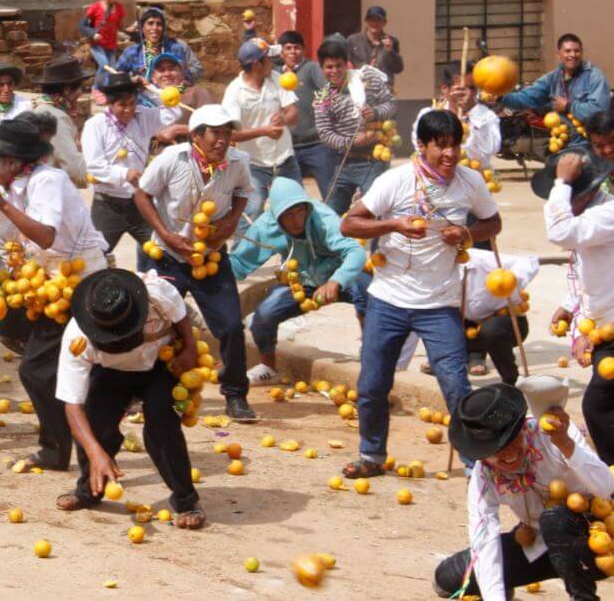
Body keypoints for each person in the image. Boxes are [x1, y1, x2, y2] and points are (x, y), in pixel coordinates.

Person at [338, 109, 501, 478]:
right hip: (388, 300)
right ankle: (372, 456)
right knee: (372, 385)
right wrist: (393, 223)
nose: (449, 154)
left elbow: (494, 222)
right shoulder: (395, 181)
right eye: (440, 146)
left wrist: (467, 234)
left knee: (456, 385)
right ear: (422, 146)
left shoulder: (470, 181)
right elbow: (349, 223)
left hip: (440, 304)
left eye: (455, 146)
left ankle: (475, 463)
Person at [0, 117, 109, 468]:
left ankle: (63, 447)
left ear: (14, 162)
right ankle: (59, 446)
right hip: (44, 283)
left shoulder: (48, 180)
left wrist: (3, 205)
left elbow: (45, 236)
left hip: (79, 280)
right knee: (40, 363)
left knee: (38, 369)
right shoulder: (5, 184)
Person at [54, 268, 207, 529]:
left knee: (162, 424)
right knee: (94, 426)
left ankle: (186, 500)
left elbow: (180, 314)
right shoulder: (76, 338)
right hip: (111, 373)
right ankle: (88, 491)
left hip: (160, 366)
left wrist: (190, 348)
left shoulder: (157, 293)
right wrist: (96, 452)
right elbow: (72, 405)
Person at [433, 383, 614, 601]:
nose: (509, 453)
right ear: (481, 455)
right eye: (496, 449)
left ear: (521, 428)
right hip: (539, 544)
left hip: (594, 539)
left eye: (512, 440)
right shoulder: (483, 478)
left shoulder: (553, 433)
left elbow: (606, 488)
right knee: (449, 578)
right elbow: (484, 541)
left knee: (554, 518)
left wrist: (565, 443)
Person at [135, 104, 255, 421]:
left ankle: (235, 394)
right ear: (197, 136)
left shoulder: (238, 162)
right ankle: (142, 391)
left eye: (228, 133)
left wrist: (231, 220)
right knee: (156, 326)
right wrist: (165, 233)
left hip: (210, 256)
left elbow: (243, 191)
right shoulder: (172, 160)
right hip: (168, 256)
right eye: (216, 133)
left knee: (230, 325)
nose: (223, 140)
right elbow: (142, 195)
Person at [230, 177, 370, 384]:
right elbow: (239, 263)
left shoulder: (323, 218)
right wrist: (208, 258)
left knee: (368, 293)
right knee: (263, 316)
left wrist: (336, 281)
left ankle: (370, 355)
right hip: (301, 282)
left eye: (300, 212)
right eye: (288, 215)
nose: (296, 220)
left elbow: (355, 252)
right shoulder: (267, 227)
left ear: (307, 208)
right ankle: (268, 367)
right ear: (277, 217)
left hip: (338, 275)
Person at [540, 150, 614, 464]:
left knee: (598, 403)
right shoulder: (591, 221)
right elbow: (589, 271)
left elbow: (561, 231)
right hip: (604, 326)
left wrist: (561, 182)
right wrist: (570, 306)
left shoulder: (606, 215)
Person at [83, 71, 180, 271]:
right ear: (110, 103)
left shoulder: (143, 116)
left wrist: (151, 90)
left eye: (132, 103)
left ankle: (152, 289)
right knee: (94, 258)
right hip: (107, 206)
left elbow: (173, 113)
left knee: (160, 252)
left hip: (139, 203)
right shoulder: (95, 125)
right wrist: (124, 174)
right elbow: (94, 165)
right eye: (122, 105)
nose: (128, 110)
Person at [313, 36, 396, 215]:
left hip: (374, 161)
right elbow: (325, 133)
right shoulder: (323, 97)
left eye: (339, 65)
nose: (334, 71)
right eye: (329, 67)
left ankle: (374, 244)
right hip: (344, 162)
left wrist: (375, 113)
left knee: (373, 212)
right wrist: (354, 141)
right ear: (322, 68)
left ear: (347, 64)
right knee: (331, 212)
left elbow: (391, 104)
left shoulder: (367, 80)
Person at [223, 38, 300, 221]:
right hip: (253, 165)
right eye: (268, 59)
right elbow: (230, 134)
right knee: (254, 210)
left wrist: (283, 119)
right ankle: (247, 248)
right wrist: (264, 131)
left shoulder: (275, 78)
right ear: (257, 64)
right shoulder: (235, 91)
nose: (272, 62)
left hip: (285, 159)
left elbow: (294, 112)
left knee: (297, 207)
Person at [495, 33, 611, 133]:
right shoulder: (552, 78)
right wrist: (500, 96)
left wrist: (568, 106)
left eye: (577, 51)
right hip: (562, 140)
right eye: (567, 51)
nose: (573, 55)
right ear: (559, 53)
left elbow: (599, 111)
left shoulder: (594, 76)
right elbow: (526, 98)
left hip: (590, 142)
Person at [452, 248, 537, 382]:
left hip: (506, 322)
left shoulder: (479, 259)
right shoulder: (434, 271)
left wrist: (511, 280)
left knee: (492, 330)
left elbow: (529, 262)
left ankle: (511, 381)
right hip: (468, 328)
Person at [278, 31, 331, 196]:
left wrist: (322, 105)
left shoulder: (311, 68)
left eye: (297, 48)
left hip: (316, 144)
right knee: (294, 197)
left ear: (304, 50)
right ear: (281, 52)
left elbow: (326, 90)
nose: (293, 52)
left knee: (330, 192)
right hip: (288, 148)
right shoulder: (274, 74)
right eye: (288, 48)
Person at [29, 56, 89, 186]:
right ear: (67, 90)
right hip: (49, 187)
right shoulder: (55, 117)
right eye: (80, 88)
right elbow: (73, 166)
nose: (81, 94)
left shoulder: (42, 109)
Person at [114, 7, 201, 94]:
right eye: (150, 23)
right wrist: (133, 80)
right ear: (142, 27)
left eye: (159, 24)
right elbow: (117, 75)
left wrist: (184, 83)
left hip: (174, 95)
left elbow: (191, 70)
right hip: (143, 98)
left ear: (163, 28)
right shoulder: (132, 52)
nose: (155, 27)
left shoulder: (175, 48)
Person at [80, 0, 124, 86]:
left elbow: (118, 25)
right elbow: (82, 26)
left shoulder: (119, 8)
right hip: (97, 45)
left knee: (112, 69)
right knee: (105, 66)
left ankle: (107, 90)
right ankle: (97, 89)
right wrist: (93, 34)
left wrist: (125, 31)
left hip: (111, 45)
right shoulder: (95, 8)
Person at [345, 5, 403, 87]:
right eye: (371, 20)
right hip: (359, 88)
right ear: (366, 21)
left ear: (385, 22)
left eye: (379, 20)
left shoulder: (392, 41)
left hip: (384, 89)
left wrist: (390, 52)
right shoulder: (353, 40)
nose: (375, 23)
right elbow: (347, 65)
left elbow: (398, 69)